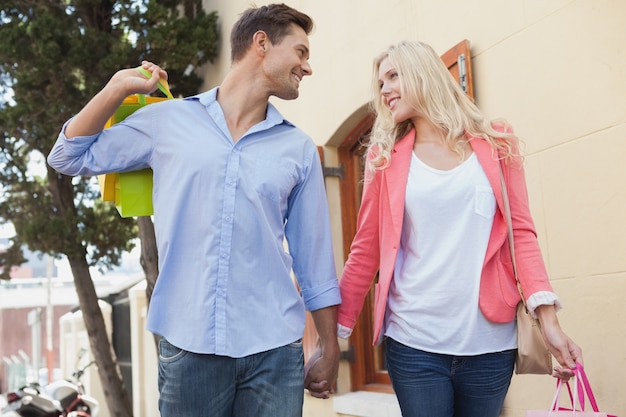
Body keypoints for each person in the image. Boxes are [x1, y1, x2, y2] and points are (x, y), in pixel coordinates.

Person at [47, 4, 340, 416]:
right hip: (189, 348)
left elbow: (314, 261)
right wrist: (116, 88)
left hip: (274, 351)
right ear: (261, 43)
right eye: (301, 52)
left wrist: (330, 346)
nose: (307, 67)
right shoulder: (167, 121)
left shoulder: (298, 149)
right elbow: (67, 157)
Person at [334, 40, 583, 417]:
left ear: (423, 73)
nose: (383, 89)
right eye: (380, 82)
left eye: (392, 76)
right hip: (414, 341)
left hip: (491, 345)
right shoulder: (383, 157)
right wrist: (334, 333)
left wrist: (549, 321)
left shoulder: (497, 141)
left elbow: (522, 235)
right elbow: (365, 249)